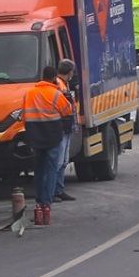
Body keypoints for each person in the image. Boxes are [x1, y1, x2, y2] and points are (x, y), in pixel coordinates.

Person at [22, 66, 75, 225]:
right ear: (53, 78)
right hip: (52, 136)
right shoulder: (55, 93)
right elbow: (67, 110)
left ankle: (39, 201)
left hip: (36, 137)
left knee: (39, 169)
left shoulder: (29, 93)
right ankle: (47, 203)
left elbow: (23, 115)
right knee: (52, 169)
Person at [54, 60, 79, 203]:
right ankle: (55, 191)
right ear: (70, 73)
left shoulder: (62, 84)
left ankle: (59, 190)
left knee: (63, 161)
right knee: (58, 162)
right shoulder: (58, 84)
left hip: (66, 127)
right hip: (62, 127)